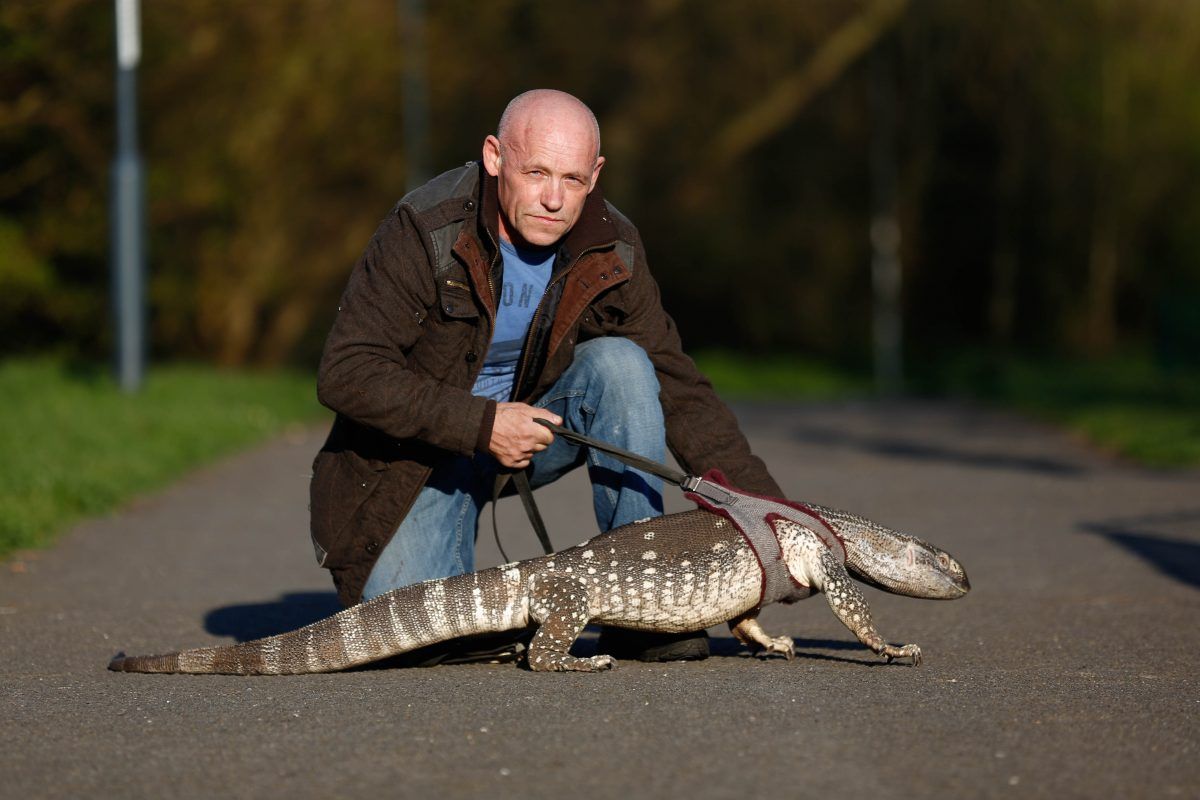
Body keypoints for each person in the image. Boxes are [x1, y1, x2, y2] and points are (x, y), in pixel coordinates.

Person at [310, 89, 782, 661]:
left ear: (596, 174)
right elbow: (347, 371)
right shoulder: (423, 229)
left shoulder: (612, 244)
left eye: (573, 179)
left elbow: (676, 384)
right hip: (416, 457)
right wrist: (481, 424)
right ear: (494, 156)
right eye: (535, 172)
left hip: (533, 440)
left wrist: (772, 526)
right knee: (422, 636)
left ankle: (644, 611)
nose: (554, 199)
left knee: (624, 366)